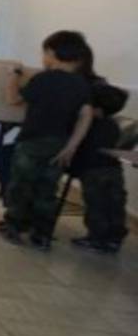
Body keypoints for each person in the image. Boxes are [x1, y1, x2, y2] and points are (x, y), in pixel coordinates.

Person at [0, 31, 93, 249]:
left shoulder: (43, 79)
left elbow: (13, 100)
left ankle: (15, 226)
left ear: (51, 53)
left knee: (21, 185)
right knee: (47, 190)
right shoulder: (81, 85)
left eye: (44, 52)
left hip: (32, 142)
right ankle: (42, 235)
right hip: (60, 145)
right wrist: (71, 146)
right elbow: (85, 116)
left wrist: (13, 75)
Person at [68, 83, 129, 253]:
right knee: (115, 205)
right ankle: (114, 239)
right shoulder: (113, 125)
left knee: (96, 206)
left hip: (93, 171)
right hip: (114, 170)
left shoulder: (87, 124)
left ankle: (96, 239)